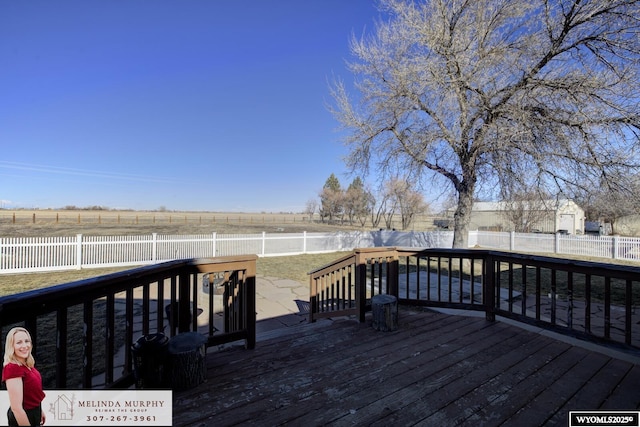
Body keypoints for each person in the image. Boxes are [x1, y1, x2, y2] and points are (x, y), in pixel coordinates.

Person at [2, 327, 45, 426]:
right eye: (19, 342)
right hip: (23, 417)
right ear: (11, 346)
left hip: (34, 412)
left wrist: (39, 411)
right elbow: (16, 408)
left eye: (27, 341)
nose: (25, 346)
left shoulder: (26, 364)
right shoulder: (12, 368)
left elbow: (31, 394)